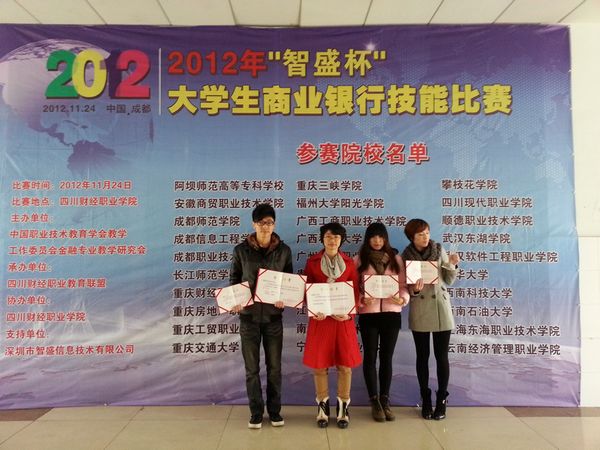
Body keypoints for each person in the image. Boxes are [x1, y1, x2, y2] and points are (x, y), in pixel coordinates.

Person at [230, 203, 293, 429]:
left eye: (270, 222)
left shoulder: (284, 251)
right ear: (254, 224)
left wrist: (285, 298)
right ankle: (256, 412)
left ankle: (275, 412)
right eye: (261, 222)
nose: (266, 226)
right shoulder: (241, 250)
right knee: (252, 369)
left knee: (275, 368)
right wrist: (235, 300)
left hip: (274, 319)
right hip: (248, 319)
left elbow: (289, 281)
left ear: (274, 224)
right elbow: (234, 279)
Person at [302, 222, 361, 429]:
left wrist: (349, 313)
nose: (332, 240)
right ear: (322, 239)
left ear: (341, 240)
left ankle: (343, 408)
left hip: (343, 321)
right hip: (321, 321)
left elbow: (355, 291)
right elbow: (307, 289)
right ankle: (322, 407)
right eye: (328, 236)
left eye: (336, 237)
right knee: (320, 366)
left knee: (345, 366)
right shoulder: (312, 262)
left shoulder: (350, 263)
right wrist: (313, 309)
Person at [401, 218, 460, 421]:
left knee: (442, 357)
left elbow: (449, 280)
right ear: (412, 237)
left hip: (440, 308)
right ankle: (425, 397)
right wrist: (415, 290)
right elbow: (404, 286)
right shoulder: (406, 256)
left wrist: (451, 264)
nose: (425, 237)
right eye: (420, 234)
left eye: (427, 232)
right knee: (422, 356)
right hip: (420, 308)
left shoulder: (439, 250)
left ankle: (442, 399)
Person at [354, 222, 409, 422]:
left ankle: (385, 400)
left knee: (387, 358)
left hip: (391, 314)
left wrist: (402, 299)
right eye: (373, 237)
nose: (377, 241)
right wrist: (362, 300)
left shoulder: (396, 259)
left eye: (380, 237)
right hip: (368, 315)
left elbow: (403, 285)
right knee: (369, 358)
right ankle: (374, 401)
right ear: (367, 239)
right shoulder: (359, 260)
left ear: (385, 239)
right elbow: (354, 287)